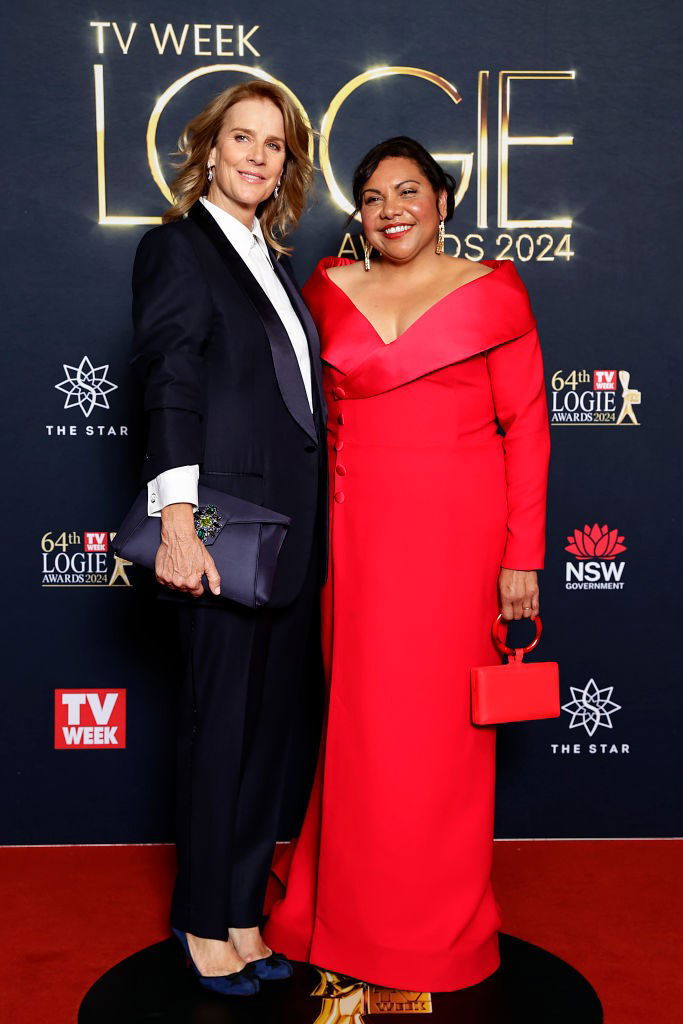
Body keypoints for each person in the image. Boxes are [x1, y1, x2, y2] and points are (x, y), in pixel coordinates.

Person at [264, 137, 551, 991]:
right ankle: (344, 913)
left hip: (461, 542)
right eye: (374, 196)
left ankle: (437, 923)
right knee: (362, 727)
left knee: (441, 740)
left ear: (442, 201)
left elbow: (527, 430)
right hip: (356, 537)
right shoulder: (325, 288)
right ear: (359, 213)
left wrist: (521, 557)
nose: (391, 208)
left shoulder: (490, 292)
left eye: (408, 190)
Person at [130, 81, 326, 996]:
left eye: (274, 146)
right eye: (240, 139)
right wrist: (175, 520)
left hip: (293, 541)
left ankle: (244, 912)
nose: (256, 155)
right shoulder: (179, 248)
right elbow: (170, 378)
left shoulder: (273, 261)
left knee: (266, 736)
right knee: (219, 731)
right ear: (208, 150)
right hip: (220, 533)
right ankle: (202, 920)